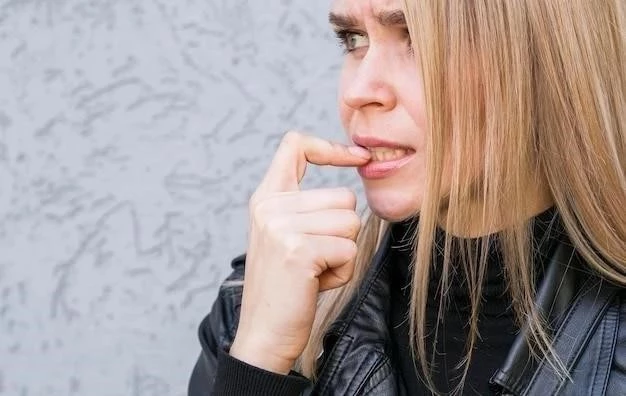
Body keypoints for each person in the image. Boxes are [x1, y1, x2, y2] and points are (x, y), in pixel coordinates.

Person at [188, 0, 625, 394]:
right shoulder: (257, 307)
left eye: (414, 37)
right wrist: (258, 363)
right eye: (353, 39)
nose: (357, 91)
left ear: (546, 59)